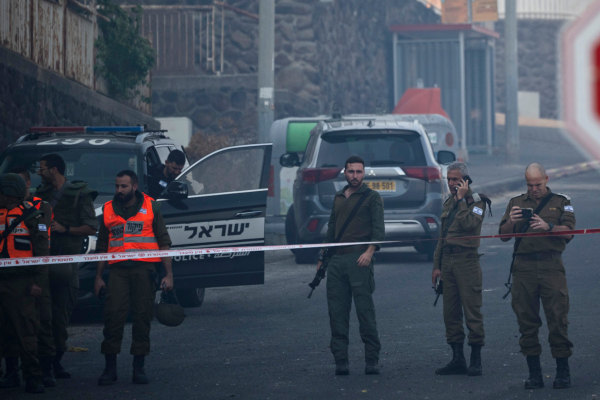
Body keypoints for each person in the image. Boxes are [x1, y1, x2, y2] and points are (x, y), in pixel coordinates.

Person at [499, 163, 575, 389]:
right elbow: (503, 236)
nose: (534, 189)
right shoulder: (515, 203)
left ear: (546, 179)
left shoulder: (562, 202)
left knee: (557, 319)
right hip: (523, 268)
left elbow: (571, 232)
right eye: (530, 185)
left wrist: (548, 226)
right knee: (526, 322)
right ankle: (535, 373)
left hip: (551, 266)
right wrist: (511, 222)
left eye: (538, 184)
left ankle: (563, 371)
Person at [94, 170, 173, 385]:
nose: (119, 190)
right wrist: (98, 277)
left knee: (142, 317)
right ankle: (110, 369)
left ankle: (139, 368)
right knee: (113, 317)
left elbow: (164, 242)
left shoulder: (151, 207)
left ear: (135, 187)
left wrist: (169, 275)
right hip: (117, 271)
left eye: (124, 186)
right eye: (117, 186)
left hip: (144, 271)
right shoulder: (108, 210)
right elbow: (102, 247)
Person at [319, 155, 384, 376]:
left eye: (358, 171)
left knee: (365, 313)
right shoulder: (338, 197)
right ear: (344, 173)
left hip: (359, 260)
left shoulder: (372, 197)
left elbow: (378, 230)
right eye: (351, 171)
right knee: (337, 313)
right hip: (337, 261)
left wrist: (369, 252)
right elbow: (331, 228)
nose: (355, 176)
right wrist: (323, 257)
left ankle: (372, 360)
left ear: (364, 173)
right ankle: (341, 361)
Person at [35, 154, 98, 379]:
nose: (38, 173)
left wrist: (65, 229)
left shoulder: (80, 194)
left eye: (41, 169)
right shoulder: (39, 195)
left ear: (54, 170)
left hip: (67, 263)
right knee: (43, 316)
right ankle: (44, 365)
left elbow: (91, 228)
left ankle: (56, 361)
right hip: (42, 263)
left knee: (61, 316)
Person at [431, 162, 490, 377]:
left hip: (467, 261)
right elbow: (442, 237)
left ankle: (476, 359)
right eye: (449, 179)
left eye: (456, 179)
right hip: (448, 261)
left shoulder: (476, 202)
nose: (452, 183)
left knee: (472, 311)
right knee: (451, 313)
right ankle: (458, 358)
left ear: (465, 180)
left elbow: (469, 225)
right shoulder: (449, 203)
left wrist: (462, 201)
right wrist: (436, 266)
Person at [1, 167, 57, 387]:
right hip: (1, 280)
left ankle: (33, 376)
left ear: (9, 192)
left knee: (28, 331)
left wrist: (37, 283)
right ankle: (11, 373)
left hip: (23, 283)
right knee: (4, 330)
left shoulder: (33, 216)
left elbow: (43, 254)